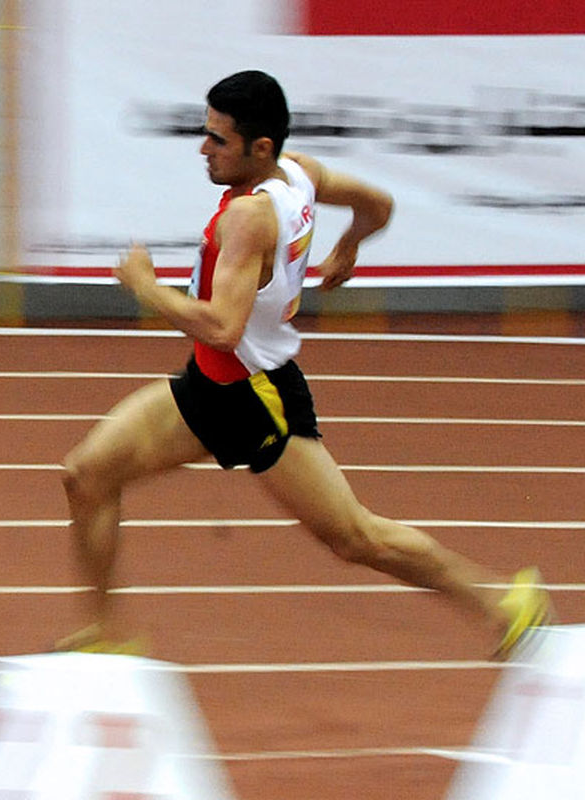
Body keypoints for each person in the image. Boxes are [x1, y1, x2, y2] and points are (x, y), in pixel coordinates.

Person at [57, 70, 549, 660]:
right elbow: (378, 204)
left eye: (218, 140)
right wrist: (350, 246)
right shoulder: (301, 172)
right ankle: (106, 638)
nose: (202, 149)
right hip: (208, 389)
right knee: (86, 475)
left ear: (260, 148)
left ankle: (501, 600)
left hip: (257, 399)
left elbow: (222, 326)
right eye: (205, 133)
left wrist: (144, 286)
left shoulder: (250, 218)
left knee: (357, 538)